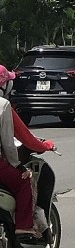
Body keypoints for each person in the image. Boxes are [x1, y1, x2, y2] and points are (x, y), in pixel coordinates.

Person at [0, 65, 35, 238]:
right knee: (23, 183)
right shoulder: (3, 105)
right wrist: (18, 166)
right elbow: (8, 142)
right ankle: (23, 227)